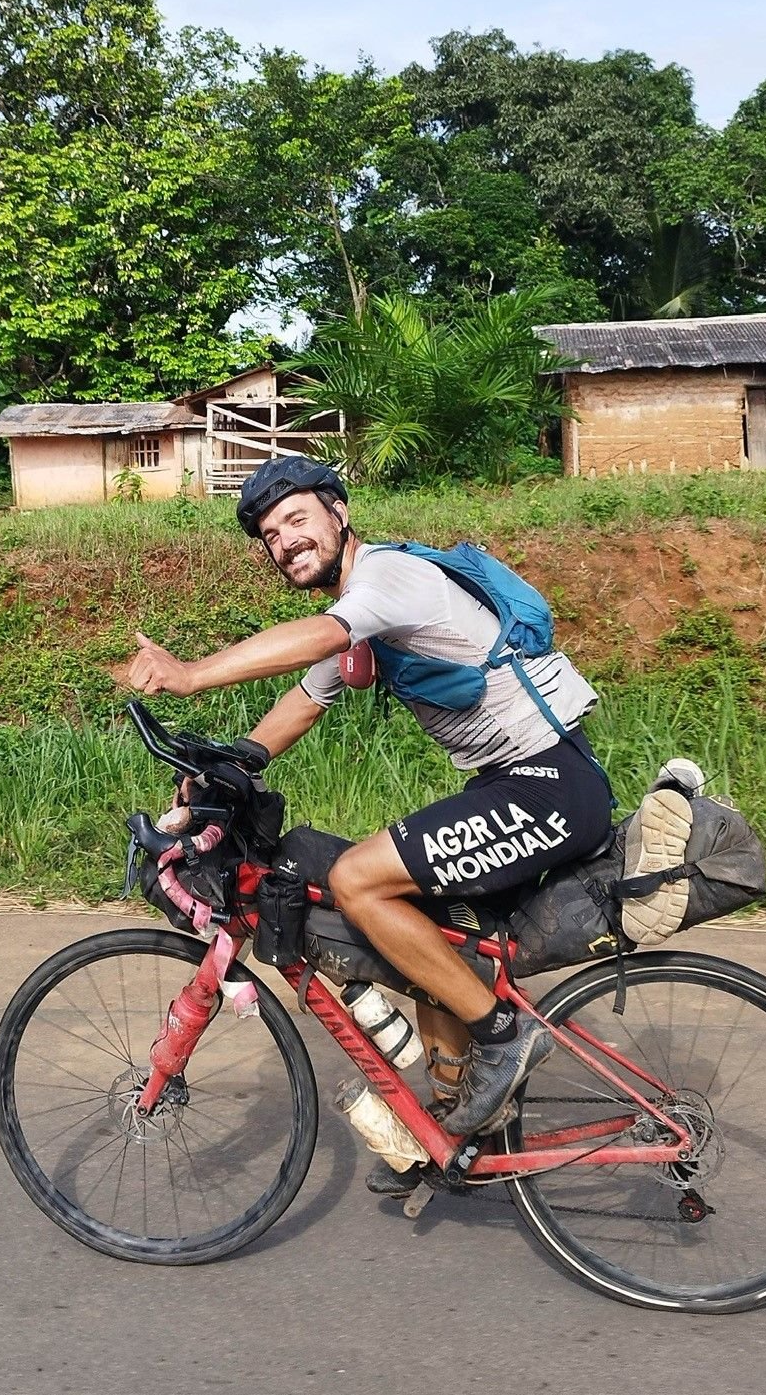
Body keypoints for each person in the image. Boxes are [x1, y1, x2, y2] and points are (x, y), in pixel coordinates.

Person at [125, 458, 613, 1166]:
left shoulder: (387, 579)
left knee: (357, 879)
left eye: (297, 519)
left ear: (339, 513)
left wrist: (194, 674)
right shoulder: (365, 613)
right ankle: (450, 1132)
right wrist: (228, 771)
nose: (286, 541)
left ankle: (504, 1037)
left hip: (548, 787)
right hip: (515, 787)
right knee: (430, 939)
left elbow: (324, 637)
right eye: (269, 535)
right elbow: (308, 697)